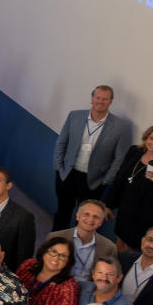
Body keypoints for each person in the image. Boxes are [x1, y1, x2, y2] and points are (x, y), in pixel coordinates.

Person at [51, 85, 130, 231]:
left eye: (105, 99)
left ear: (111, 101)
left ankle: (76, 250)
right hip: (67, 174)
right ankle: (54, 245)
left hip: (93, 181)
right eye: (98, 97)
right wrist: (58, 167)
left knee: (86, 218)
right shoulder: (74, 116)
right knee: (62, 212)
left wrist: (106, 181)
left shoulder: (120, 126)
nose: (100, 101)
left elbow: (120, 158)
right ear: (92, 98)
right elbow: (61, 142)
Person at [103, 124, 153, 252]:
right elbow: (119, 177)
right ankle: (117, 272)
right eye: (151, 138)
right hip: (126, 211)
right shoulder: (135, 151)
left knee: (133, 251)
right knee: (119, 246)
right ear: (146, 138)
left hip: (147, 219)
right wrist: (108, 204)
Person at [46, 199, 117, 282]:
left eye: (96, 217)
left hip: (89, 291)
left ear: (100, 222)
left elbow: (107, 279)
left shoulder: (110, 249)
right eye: (86, 214)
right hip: (58, 286)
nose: (90, 219)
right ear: (77, 216)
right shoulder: (54, 237)